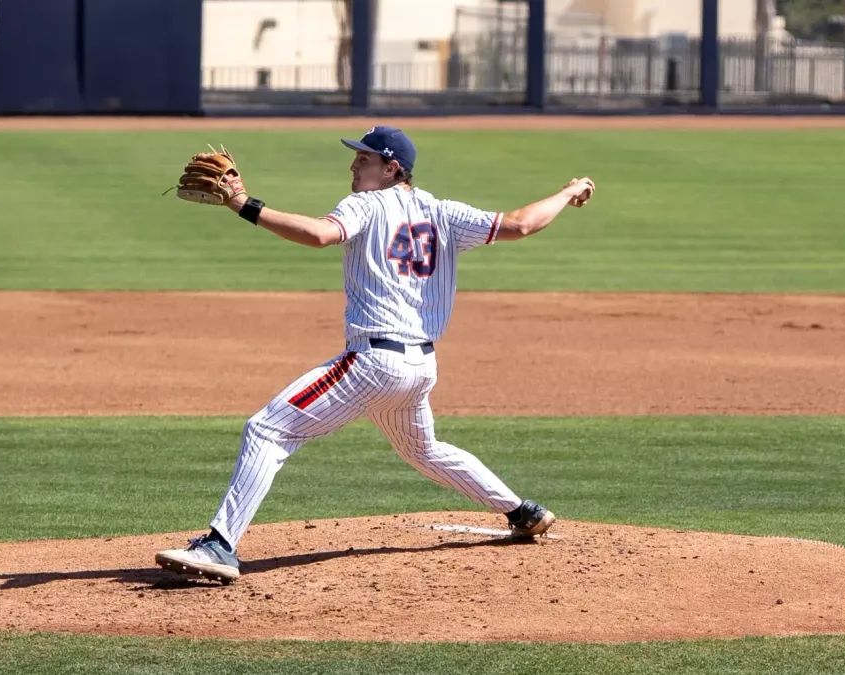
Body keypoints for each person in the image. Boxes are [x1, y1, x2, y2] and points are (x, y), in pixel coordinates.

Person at [156, 126, 595, 583]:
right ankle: (522, 511)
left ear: (391, 169)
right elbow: (523, 224)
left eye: (363, 159)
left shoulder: (365, 205)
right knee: (423, 450)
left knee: (267, 429)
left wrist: (243, 203)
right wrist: (569, 190)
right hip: (420, 367)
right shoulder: (444, 213)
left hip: (372, 363)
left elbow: (319, 235)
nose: (352, 166)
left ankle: (219, 546)